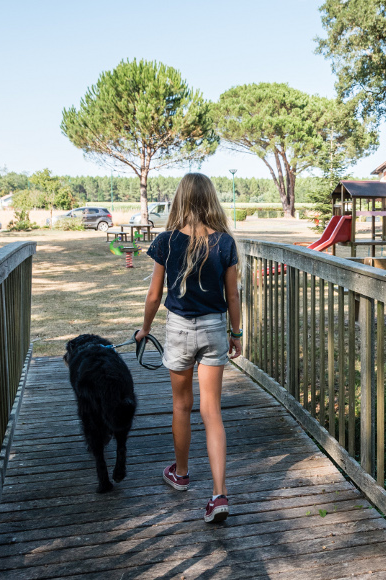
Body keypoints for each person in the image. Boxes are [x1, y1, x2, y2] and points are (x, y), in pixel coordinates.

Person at [136, 173, 241, 524]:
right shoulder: (225, 242)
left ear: (180, 199)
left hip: (179, 329)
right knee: (212, 411)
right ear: (211, 199)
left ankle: (180, 474)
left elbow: (154, 294)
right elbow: (232, 295)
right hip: (214, 327)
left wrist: (145, 329)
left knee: (182, 405)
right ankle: (219, 494)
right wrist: (236, 333)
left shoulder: (166, 241)